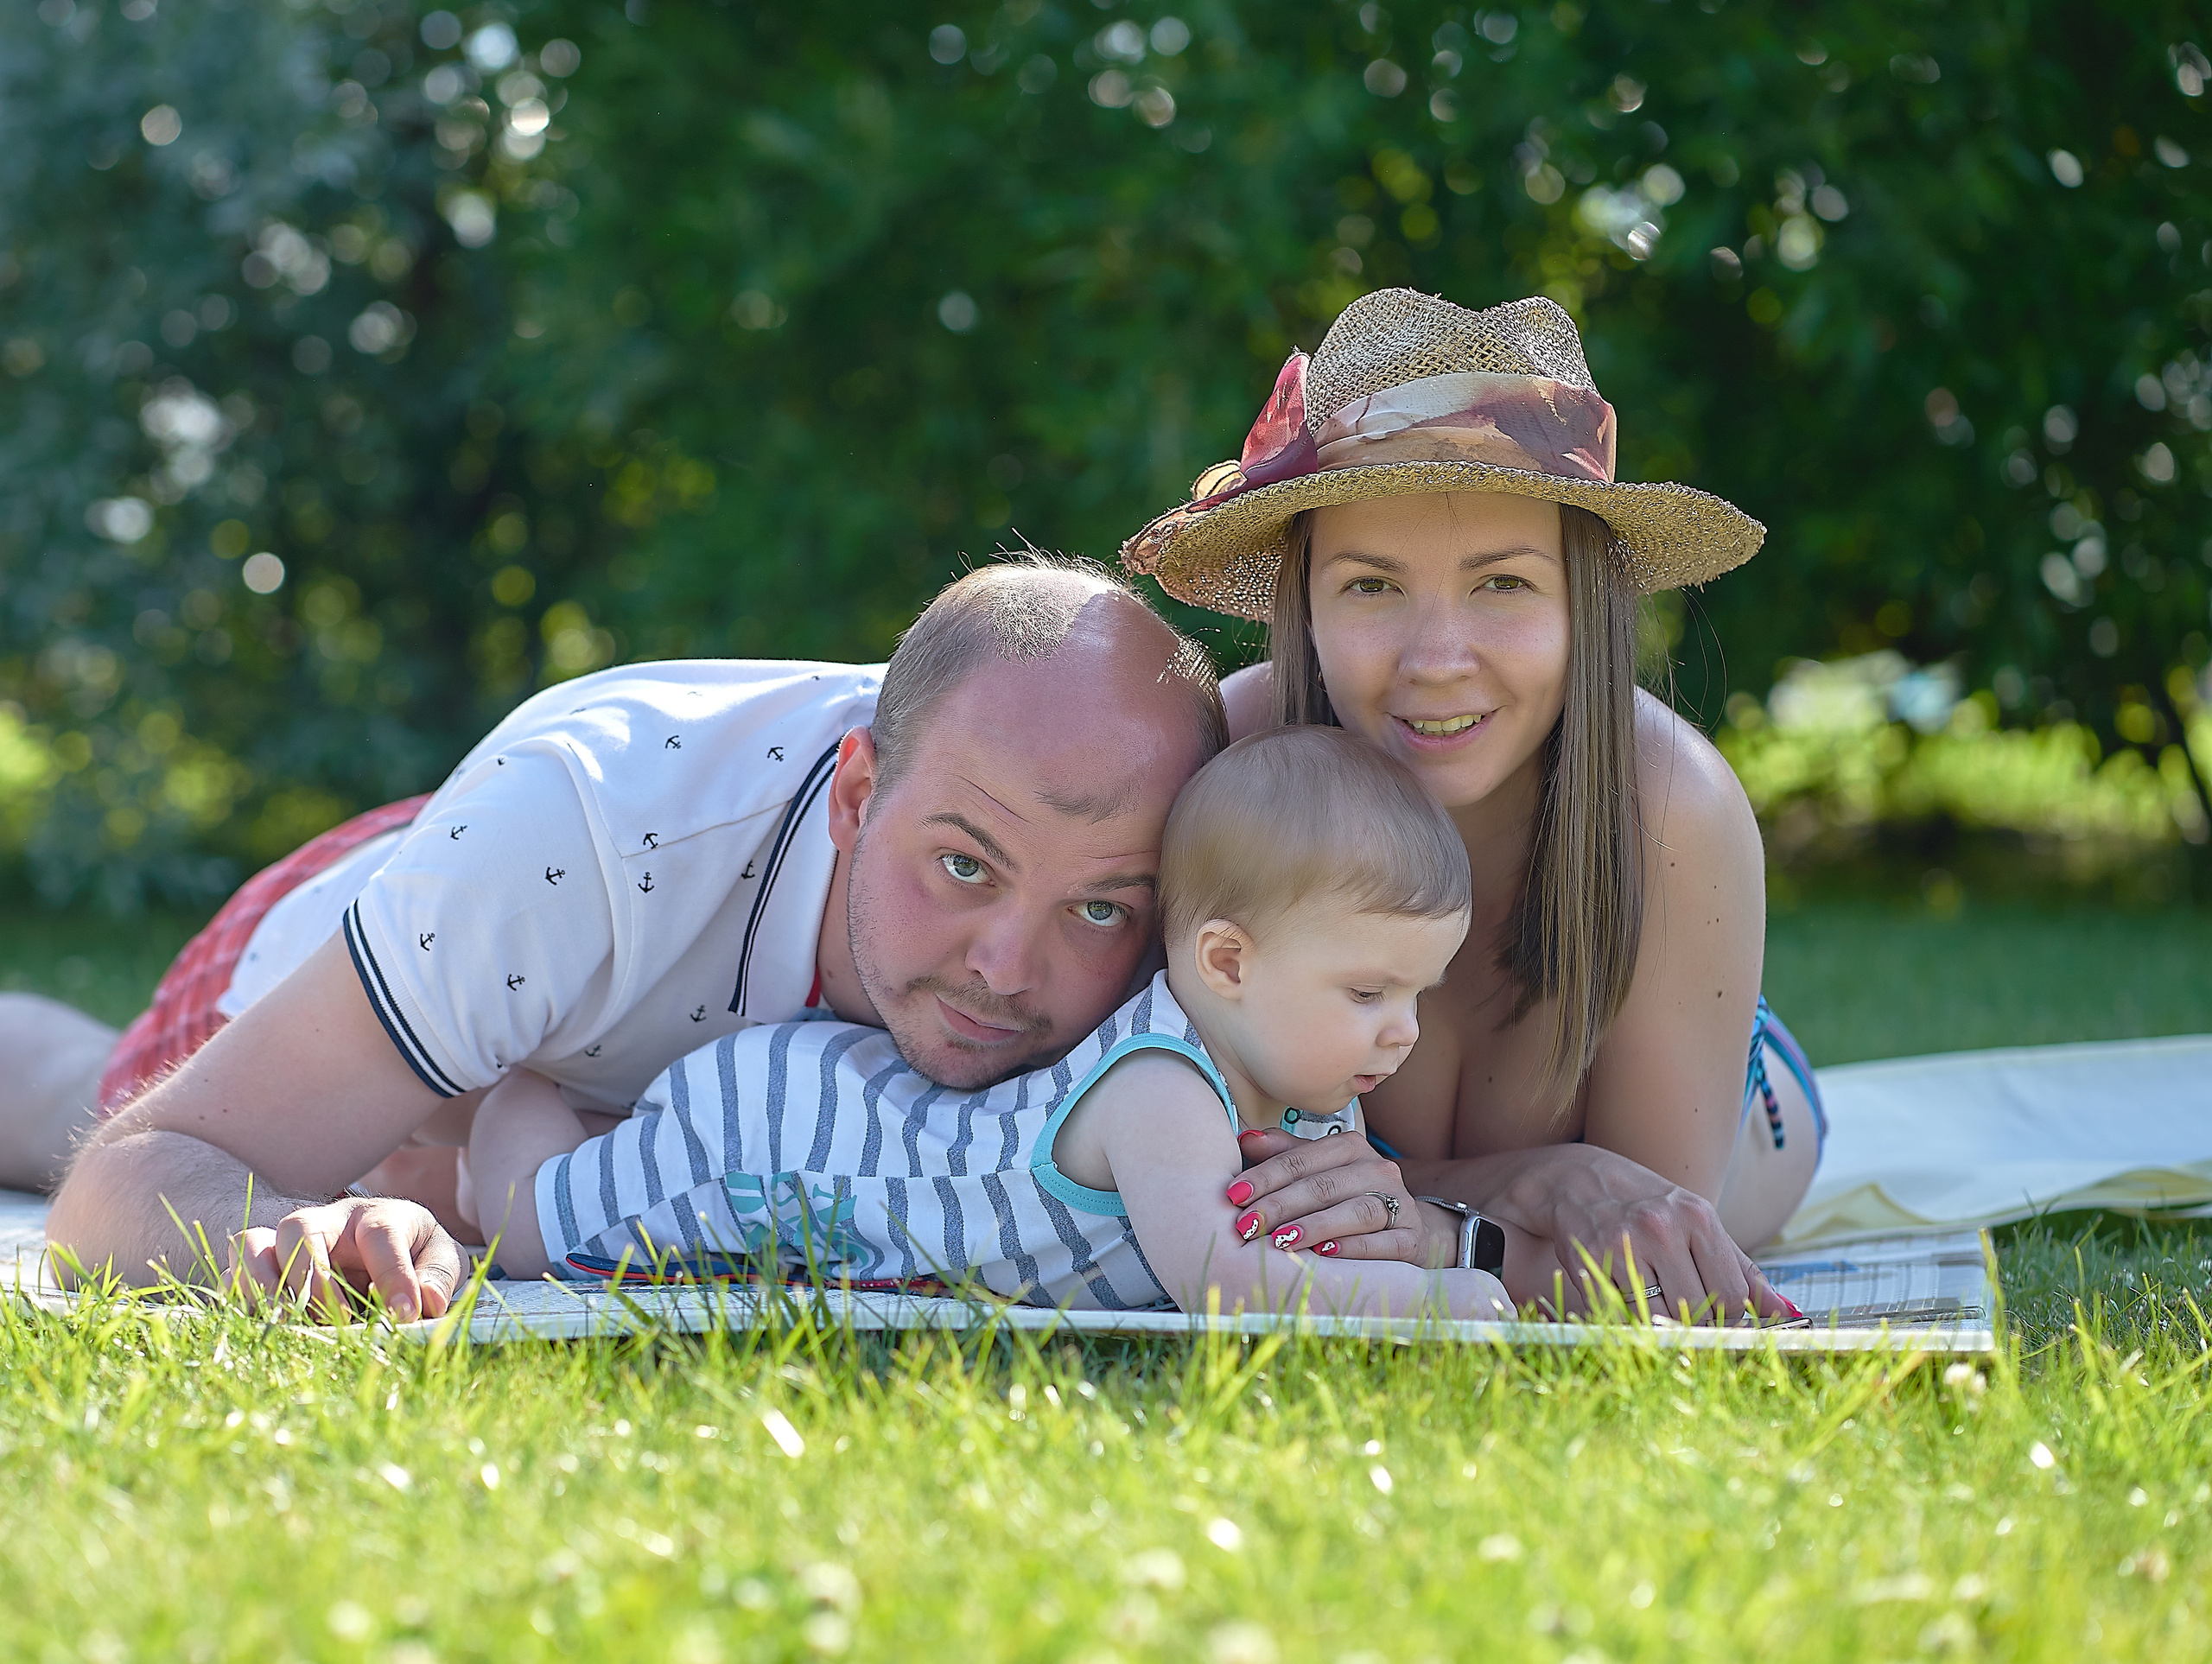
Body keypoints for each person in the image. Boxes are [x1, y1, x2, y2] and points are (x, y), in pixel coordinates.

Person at [35, 556, 1227, 1320]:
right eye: (964, 865)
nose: (1006, 970)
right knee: (72, 1102)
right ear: (857, 797)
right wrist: (289, 1240)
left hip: (524, 953)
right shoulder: (580, 841)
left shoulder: (1164, 823)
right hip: (360, 929)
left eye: (1099, 908)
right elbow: (126, 1177)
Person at [1121, 289, 1824, 1322]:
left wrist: (1431, 1218)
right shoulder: (1220, 766)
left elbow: (1647, 1252)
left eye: (1501, 584)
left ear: (1583, 599)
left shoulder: (1670, 810)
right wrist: (1524, 1188)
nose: (1438, 662)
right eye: (1371, 586)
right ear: (1302, 600)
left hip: (1741, 1087)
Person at [460, 727, 1512, 1323]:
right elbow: (1223, 1281)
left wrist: (1428, 1252)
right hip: (790, 1140)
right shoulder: (1163, 1089)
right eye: (1370, 995)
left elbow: (1313, 1252)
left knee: (566, 1193)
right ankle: (513, 1100)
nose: (1404, 1033)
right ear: (1227, 963)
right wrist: (1446, 1301)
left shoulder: (1293, 1085)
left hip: (857, 1119)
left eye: (1416, 995)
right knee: (526, 1225)